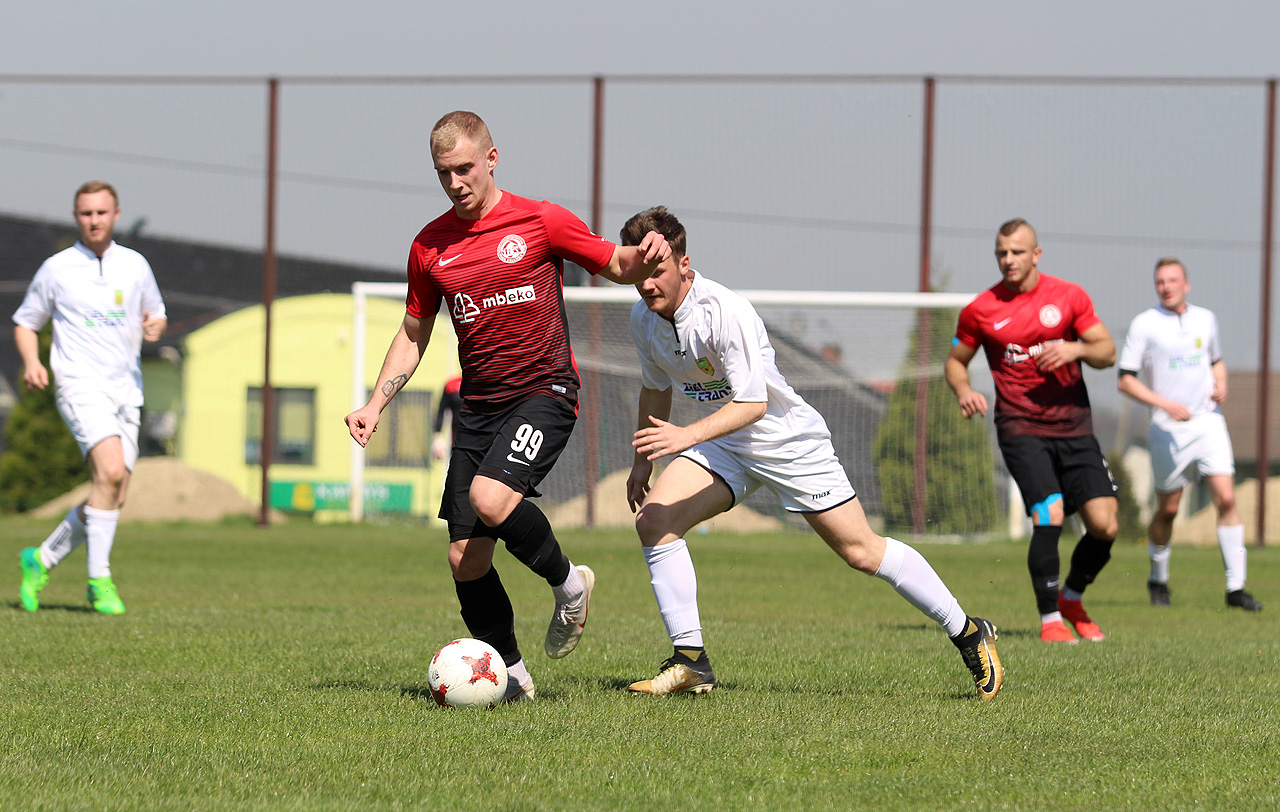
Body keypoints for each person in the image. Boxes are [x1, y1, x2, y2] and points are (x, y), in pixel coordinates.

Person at [345, 112, 671, 703]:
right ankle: (514, 680)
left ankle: (570, 583)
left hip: (545, 391)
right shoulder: (430, 245)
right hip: (478, 407)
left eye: (465, 168)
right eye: (444, 173)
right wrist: (375, 403)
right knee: (464, 559)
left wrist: (645, 255)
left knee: (490, 500)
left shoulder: (541, 220)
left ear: (492, 159)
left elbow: (616, 263)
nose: (455, 182)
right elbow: (414, 331)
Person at [620, 207, 1002, 700]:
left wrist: (685, 437)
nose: (647, 284)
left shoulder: (725, 312)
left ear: (684, 264)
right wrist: (641, 460)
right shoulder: (641, 319)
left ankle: (969, 631)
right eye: (637, 273)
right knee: (654, 522)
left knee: (861, 552)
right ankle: (691, 661)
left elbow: (754, 405)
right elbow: (654, 390)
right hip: (724, 443)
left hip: (786, 442)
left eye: (657, 271)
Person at [945, 218, 1119, 644]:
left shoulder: (1069, 297)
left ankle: (1072, 599)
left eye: (1017, 252)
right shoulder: (981, 309)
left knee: (1105, 525)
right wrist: (964, 388)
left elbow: (1107, 351)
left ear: (1036, 254)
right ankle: (1050, 623)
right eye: (1002, 253)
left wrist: (1074, 347)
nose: (1009, 260)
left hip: (1075, 427)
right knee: (1051, 511)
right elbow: (955, 361)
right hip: (1020, 426)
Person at [15, 181, 167, 615]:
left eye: (101, 212)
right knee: (111, 472)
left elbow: (155, 314)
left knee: (113, 492)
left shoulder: (135, 265)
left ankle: (40, 559)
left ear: (116, 214)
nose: (94, 220)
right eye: (85, 213)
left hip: (127, 389)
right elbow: (26, 322)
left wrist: (155, 326)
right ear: (76, 216)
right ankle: (99, 582)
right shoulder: (57, 268)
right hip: (79, 385)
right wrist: (31, 362)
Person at [1117, 258, 1261, 611]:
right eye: (1160, 281)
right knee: (1168, 510)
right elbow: (1125, 379)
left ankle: (1235, 588)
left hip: (1209, 422)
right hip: (1168, 430)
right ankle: (1158, 578)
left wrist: (1222, 384)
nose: (1166, 286)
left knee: (1226, 499)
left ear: (1187, 283)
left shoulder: (1206, 319)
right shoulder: (1144, 324)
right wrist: (1164, 404)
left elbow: (1216, 361)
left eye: (1172, 280)